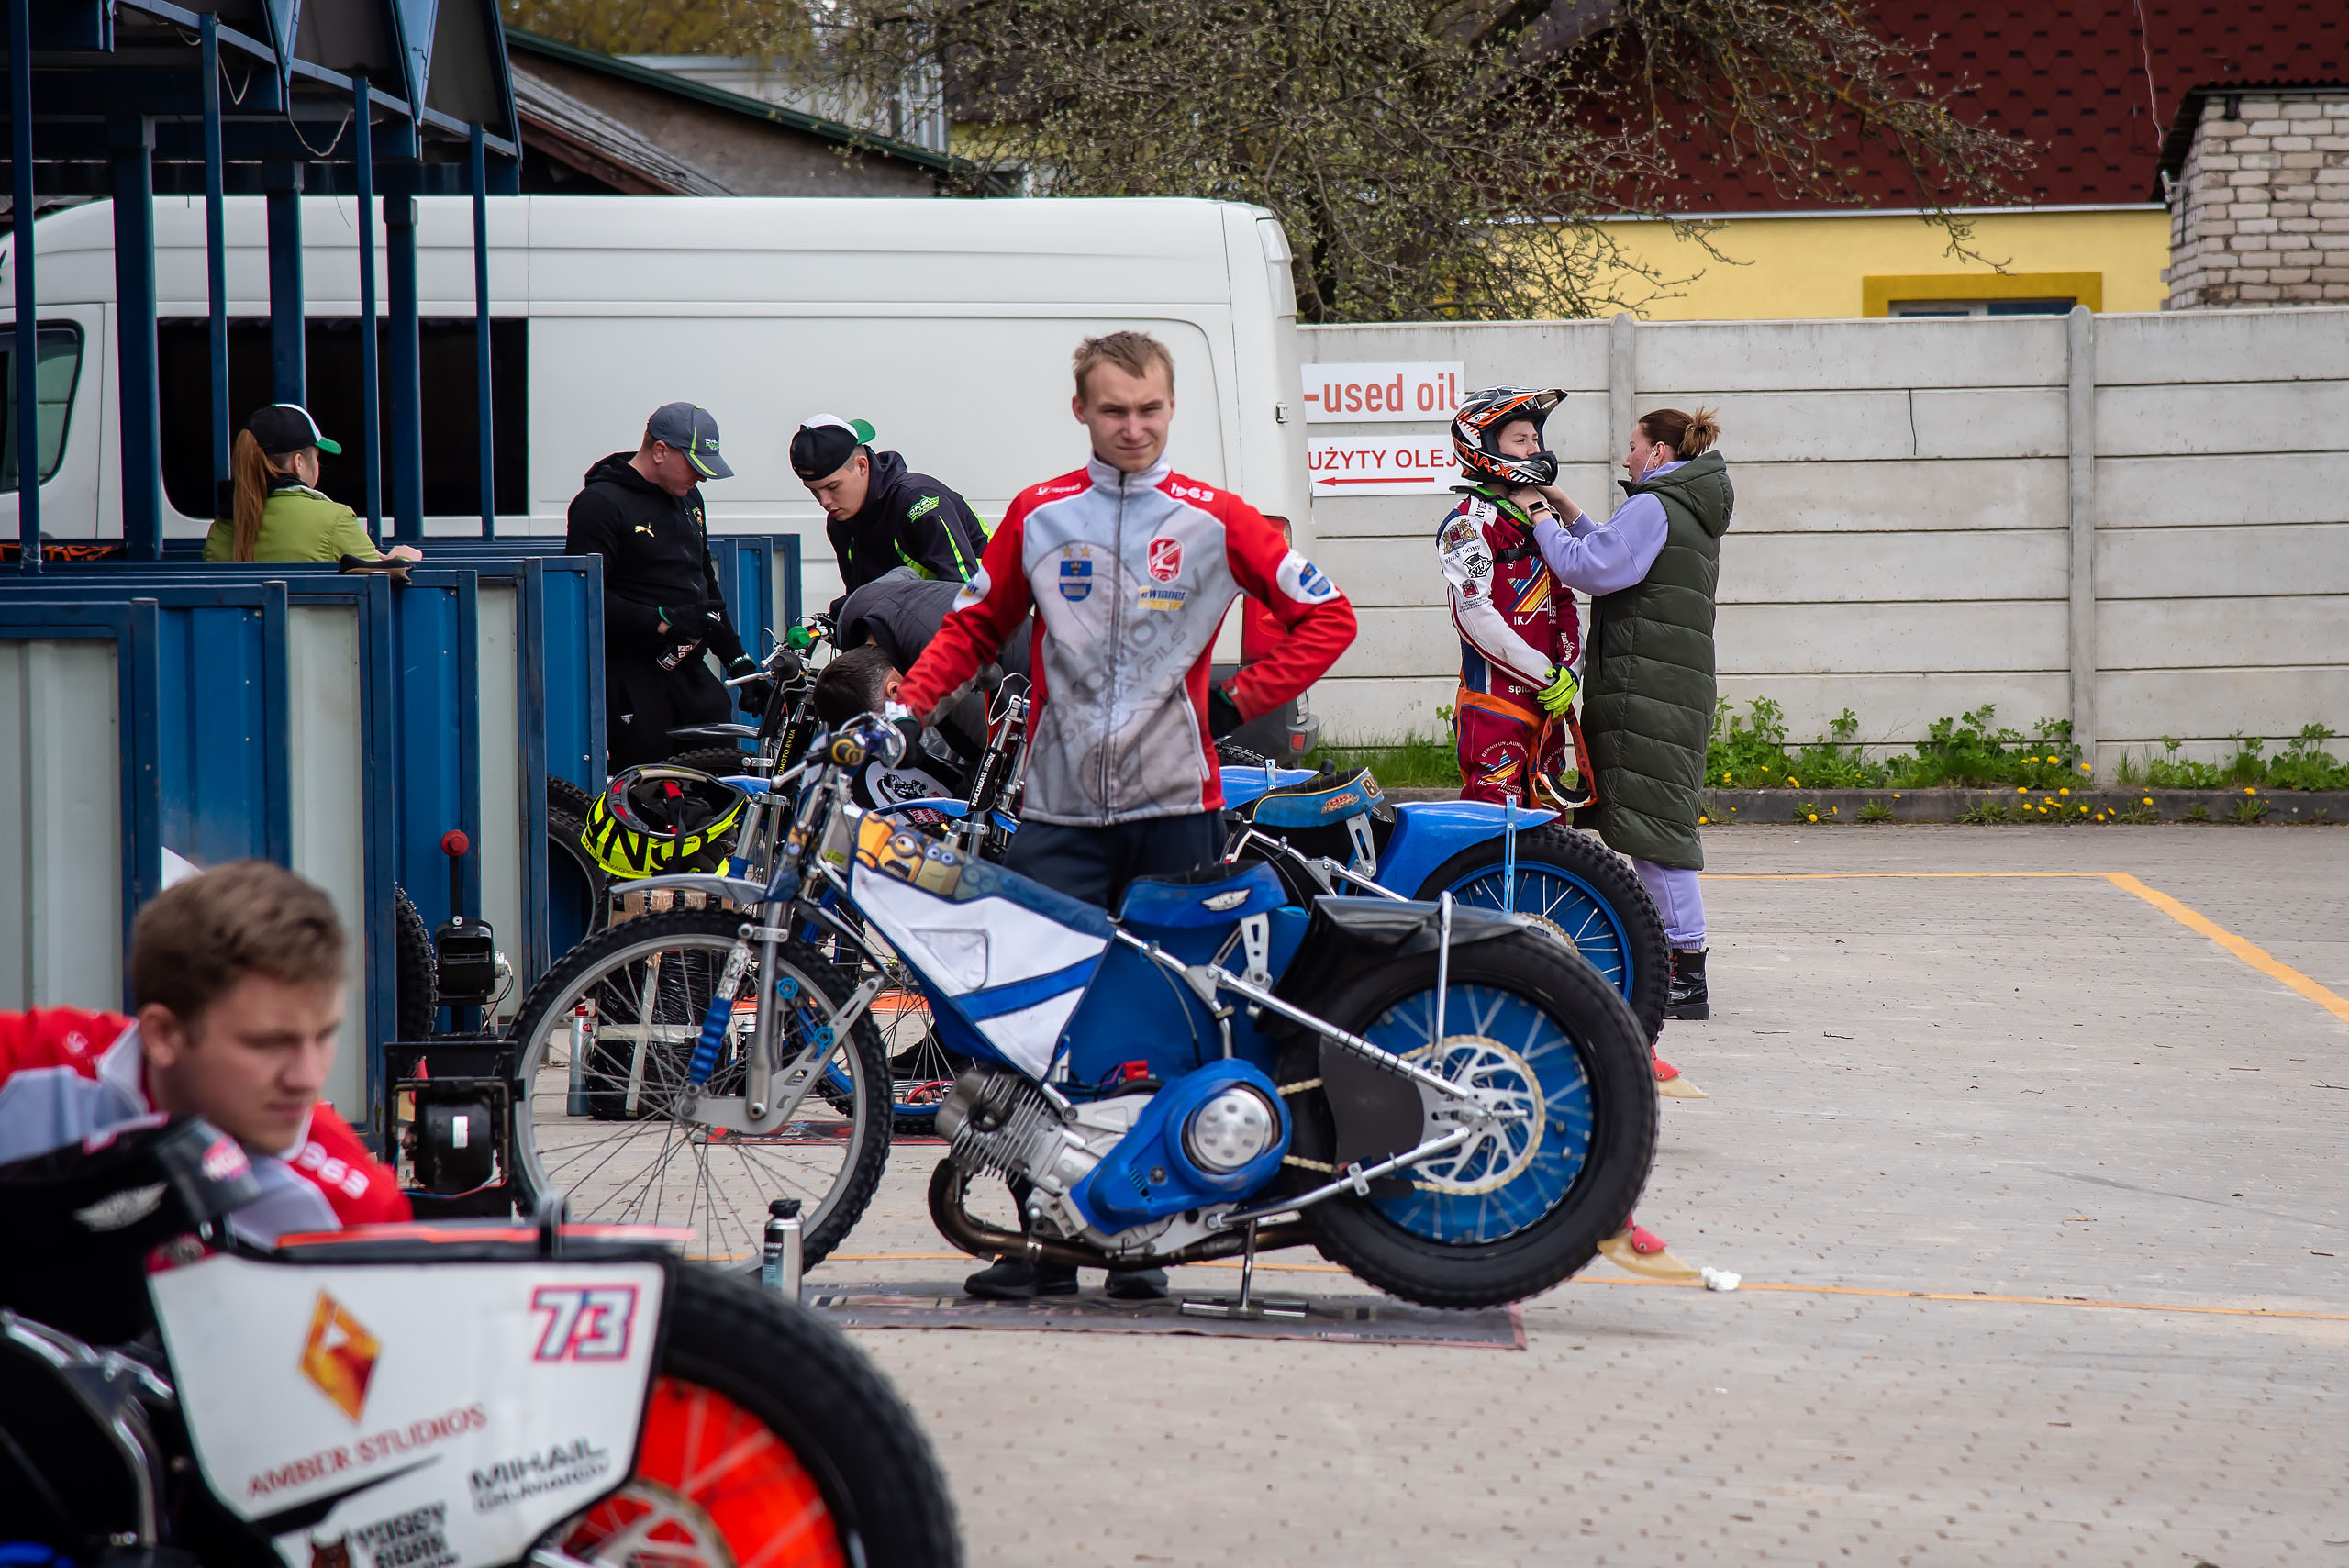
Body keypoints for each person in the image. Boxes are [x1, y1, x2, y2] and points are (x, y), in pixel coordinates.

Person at [896, 329, 1357, 1301]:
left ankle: (1143, 1235)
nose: (1134, 427)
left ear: (1170, 407)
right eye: (1114, 410)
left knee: (1171, 1024)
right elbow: (971, 628)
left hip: (1175, 806)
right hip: (1057, 811)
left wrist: (1235, 702)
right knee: (1033, 1022)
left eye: (1149, 409)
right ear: (1081, 411)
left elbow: (1329, 618)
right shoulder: (1038, 513)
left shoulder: (1216, 517)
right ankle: (1040, 1238)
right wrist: (904, 711)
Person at [0, 860, 409, 1240]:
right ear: (163, 1034)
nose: (307, 1078)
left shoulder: (359, 1206)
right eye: (267, 1043)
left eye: (324, 1036)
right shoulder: (26, 1064)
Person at [1520, 407, 1732, 1024]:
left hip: (1651, 688)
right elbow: (1618, 549)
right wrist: (1567, 508)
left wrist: (1539, 518)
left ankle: (1687, 973)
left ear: (1659, 452)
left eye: (1634, 447)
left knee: (1658, 837)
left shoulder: (1655, 504)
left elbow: (1593, 568)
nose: (1626, 458)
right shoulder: (1680, 504)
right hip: (1668, 684)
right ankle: (1678, 963)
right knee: (1653, 828)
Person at [566, 403, 764, 771]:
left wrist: (739, 664)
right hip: (633, 678)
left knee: (723, 781)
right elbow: (583, 598)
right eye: (694, 466)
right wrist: (662, 621)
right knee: (650, 791)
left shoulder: (689, 497)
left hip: (690, 671)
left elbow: (706, 587)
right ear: (660, 451)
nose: (701, 478)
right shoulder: (600, 503)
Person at [1435, 387, 1583, 806]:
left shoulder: (1541, 518)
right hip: (1495, 703)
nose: (1534, 449)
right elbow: (1474, 617)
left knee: (1551, 826)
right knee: (1497, 824)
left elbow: (1565, 601)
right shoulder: (1467, 524)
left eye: (1535, 438)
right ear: (1483, 446)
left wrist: (1571, 668)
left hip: (1548, 701)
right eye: (1521, 440)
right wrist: (1544, 674)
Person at [791, 415, 990, 600]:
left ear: (862, 466)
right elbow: (862, 600)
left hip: (994, 610)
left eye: (833, 486)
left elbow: (965, 593)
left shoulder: (921, 502)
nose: (824, 501)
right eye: (814, 490)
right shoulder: (839, 523)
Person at [202, 403, 423, 565]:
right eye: (316, 457)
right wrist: (404, 559)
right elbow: (380, 585)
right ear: (298, 462)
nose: (318, 465)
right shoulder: (335, 520)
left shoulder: (222, 528)